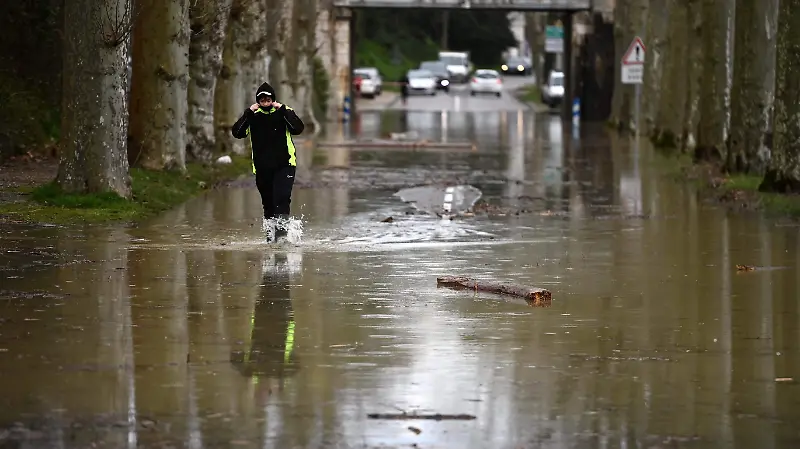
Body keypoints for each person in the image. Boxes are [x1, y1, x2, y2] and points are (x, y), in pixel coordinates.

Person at [231, 82, 305, 241]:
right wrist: (248, 112)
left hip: (285, 165)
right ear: (257, 100)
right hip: (262, 168)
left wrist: (283, 109)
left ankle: (282, 237)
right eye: (262, 99)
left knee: (281, 198)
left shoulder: (284, 112)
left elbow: (298, 128)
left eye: (268, 98)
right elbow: (237, 132)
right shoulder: (253, 117)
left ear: (273, 99)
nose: (265, 101)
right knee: (269, 203)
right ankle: (271, 239)